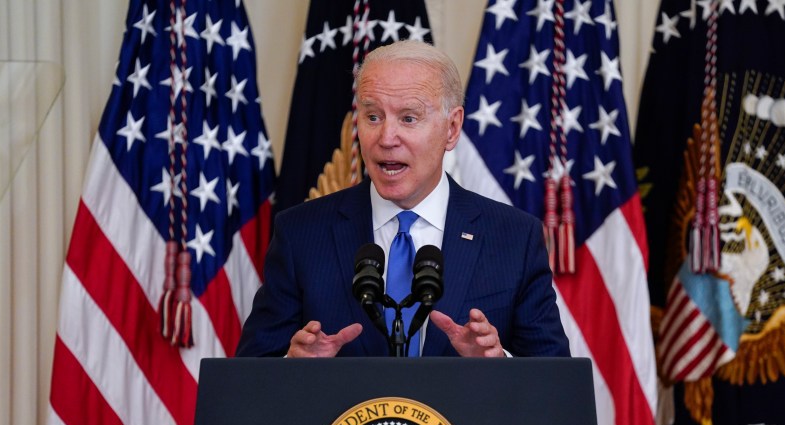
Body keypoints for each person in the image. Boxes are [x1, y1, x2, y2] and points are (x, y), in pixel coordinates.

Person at [236, 40, 569, 359]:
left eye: (408, 118)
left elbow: (555, 387)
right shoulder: (301, 234)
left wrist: (499, 363)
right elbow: (249, 380)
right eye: (373, 117)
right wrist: (290, 368)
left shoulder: (515, 239)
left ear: (452, 129)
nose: (386, 137)